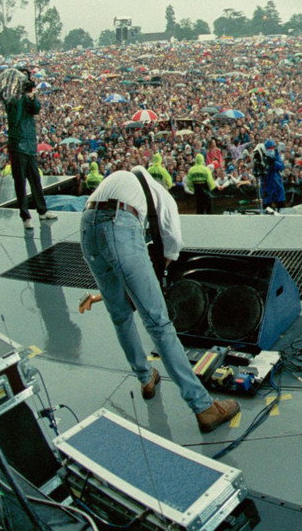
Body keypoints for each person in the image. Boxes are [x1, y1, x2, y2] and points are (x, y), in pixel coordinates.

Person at [76, 167, 239, 433]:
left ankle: (145, 377)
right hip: (119, 222)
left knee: (120, 315)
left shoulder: (122, 180)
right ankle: (204, 407)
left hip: (87, 227)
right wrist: (155, 278)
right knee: (159, 324)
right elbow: (172, 245)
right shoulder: (163, 197)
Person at [0, 68, 56, 230]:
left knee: (36, 180)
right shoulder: (11, 99)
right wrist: (23, 98)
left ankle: (42, 211)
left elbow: (36, 109)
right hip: (17, 145)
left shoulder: (26, 97)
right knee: (20, 182)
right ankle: (25, 217)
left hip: (30, 145)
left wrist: (31, 97)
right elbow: (15, 118)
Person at [258, 140, 285, 212]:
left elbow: (282, 167)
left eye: (272, 148)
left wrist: (274, 162)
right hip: (266, 186)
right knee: (267, 208)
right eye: (269, 148)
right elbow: (259, 170)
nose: (271, 150)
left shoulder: (276, 155)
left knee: (281, 208)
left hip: (277, 185)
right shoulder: (261, 157)